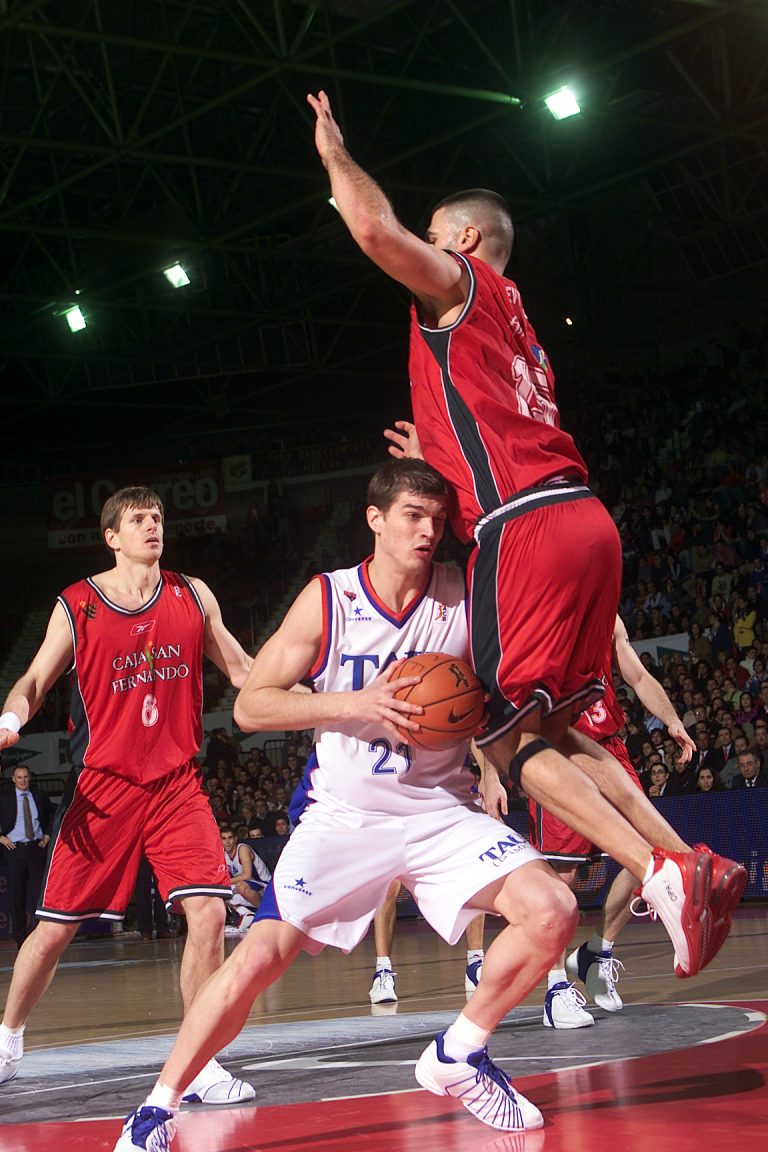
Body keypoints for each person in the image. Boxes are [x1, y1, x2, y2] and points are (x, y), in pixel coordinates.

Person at [307, 88, 744, 994]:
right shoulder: (523, 334)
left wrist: (336, 159)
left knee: (502, 734)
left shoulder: (463, 288)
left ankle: (660, 877)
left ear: (463, 243)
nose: (426, 246)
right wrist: (444, 457)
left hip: (527, 531)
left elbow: (374, 231)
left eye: (438, 233)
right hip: (585, 520)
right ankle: (689, 859)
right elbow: (498, 425)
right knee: (561, 726)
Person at [113, 457, 577, 1147]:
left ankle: (459, 1053)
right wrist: (354, 703)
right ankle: (156, 1107)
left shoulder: (465, 592)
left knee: (554, 910)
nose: (428, 532)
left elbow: (484, 695)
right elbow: (249, 705)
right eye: (413, 517)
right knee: (260, 955)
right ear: (375, 520)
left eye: (437, 519)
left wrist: (486, 761)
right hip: (345, 816)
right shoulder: (329, 598)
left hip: (439, 811)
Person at [0, 486, 255, 1106]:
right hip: (103, 787)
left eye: (158, 517)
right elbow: (35, 678)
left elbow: (246, 672)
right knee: (55, 930)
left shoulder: (192, 596)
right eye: (138, 519)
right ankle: (7, 1040)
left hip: (175, 783)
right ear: (111, 536)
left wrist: (325, 697)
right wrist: (11, 715)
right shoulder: (79, 603)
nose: (152, 526)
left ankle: (198, 1064)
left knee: (211, 913)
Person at [530, 616, 697, 1028]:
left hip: (609, 747)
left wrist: (673, 720)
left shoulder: (608, 614)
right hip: (558, 747)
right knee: (563, 874)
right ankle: (554, 989)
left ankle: (597, 952)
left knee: (650, 854)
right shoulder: (538, 604)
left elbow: (637, 676)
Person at [0, 767, 53, 949]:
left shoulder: (40, 796)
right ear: (13, 779)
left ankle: (41, 935)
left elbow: (51, 816)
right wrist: (1, 837)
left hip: (36, 849)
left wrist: (47, 834)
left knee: (38, 895)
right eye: (19, 778)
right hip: (15, 850)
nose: (23, 781)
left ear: (30, 778)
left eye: (26, 777)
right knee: (17, 894)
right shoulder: (5, 799)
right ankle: (20, 937)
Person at [220, 826, 271, 937]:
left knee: (240, 886)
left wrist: (225, 881)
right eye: (224, 838)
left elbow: (247, 875)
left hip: (264, 885)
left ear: (236, 838)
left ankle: (265, 916)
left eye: (230, 838)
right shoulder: (222, 854)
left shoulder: (243, 849)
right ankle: (246, 913)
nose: (227, 842)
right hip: (248, 886)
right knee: (219, 892)